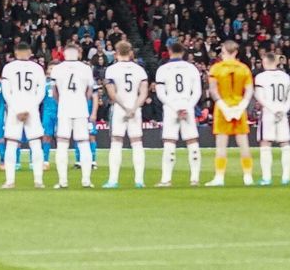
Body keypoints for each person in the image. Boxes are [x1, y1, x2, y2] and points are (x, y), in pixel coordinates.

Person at [205, 40, 255, 187]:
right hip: (239, 105)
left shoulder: (216, 68)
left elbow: (213, 90)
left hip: (223, 107)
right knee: (243, 143)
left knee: (221, 144)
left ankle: (219, 177)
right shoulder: (244, 68)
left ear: (225, 51)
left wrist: (223, 107)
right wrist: (241, 107)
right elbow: (249, 90)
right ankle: (248, 176)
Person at [154, 39, 202, 187]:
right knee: (192, 141)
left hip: (170, 107)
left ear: (169, 51)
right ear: (183, 52)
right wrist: (188, 107)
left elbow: (160, 93)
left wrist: (174, 108)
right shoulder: (191, 68)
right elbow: (198, 92)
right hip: (187, 104)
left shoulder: (162, 69)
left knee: (169, 141)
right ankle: (194, 179)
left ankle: (166, 179)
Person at [0, 41, 48, 188]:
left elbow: (6, 92)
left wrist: (16, 109)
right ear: (29, 53)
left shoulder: (8, 68)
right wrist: (31, 108)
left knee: (12, 144)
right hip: (31, 108)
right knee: (35, 143)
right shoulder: (37, 68)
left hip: (15, 108)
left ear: (15, 53)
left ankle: (10, 181)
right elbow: (41, 91)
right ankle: (38, 180)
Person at [50, 43, 98, 189]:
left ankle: (63, 181)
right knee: (84, 144)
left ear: (64, 54)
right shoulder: (86, 68)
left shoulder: (57, 69)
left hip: (64, 109)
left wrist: (62, 102)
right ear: (78, 53)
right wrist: (83, 100)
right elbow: (90, 92)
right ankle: (86, 181)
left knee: (62, 144)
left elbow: (54, 92)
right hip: (81, 108)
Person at [104, 40, 150, 189]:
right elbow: (143, 93)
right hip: (135, 109)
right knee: (137, 143)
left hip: (119, 108)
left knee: (116, 142)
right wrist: (134, 107)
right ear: (130, 53)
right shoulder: (140, 70)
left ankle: (113, 180)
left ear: (116, 53)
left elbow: (112, 93)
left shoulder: (111, 70)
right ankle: (139, 180)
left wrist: (124, 107)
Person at [253, 51, 290, 187]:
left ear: (265, 62)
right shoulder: (285, 77)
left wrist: (273, 109)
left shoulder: (260, 77)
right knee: (285, 144)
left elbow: (260, 97)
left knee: (265, 144)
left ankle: (267, 178)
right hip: (282, 112)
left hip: (268, 113)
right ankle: (286, 177)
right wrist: (283, 110)